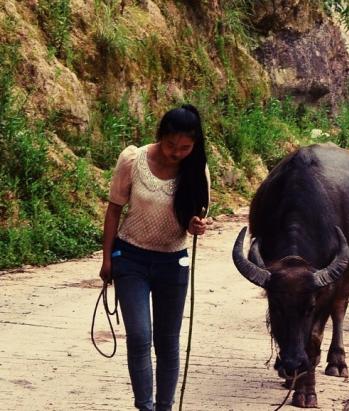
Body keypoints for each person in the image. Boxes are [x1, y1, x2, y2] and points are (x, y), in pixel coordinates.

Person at [99, 104, 212, 411]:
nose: (176, 152)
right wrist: (107, 258)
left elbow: (193, 219)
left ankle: (164, 406)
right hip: (130, 257)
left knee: (167, 341)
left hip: (173, 263)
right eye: (171, 145)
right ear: (160, 135)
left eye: (185, 148)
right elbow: (113, 209)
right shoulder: (133, 160)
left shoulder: (197, 171)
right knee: (138, 335)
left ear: (195, 146)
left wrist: (196, 225)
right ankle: (145, 406)